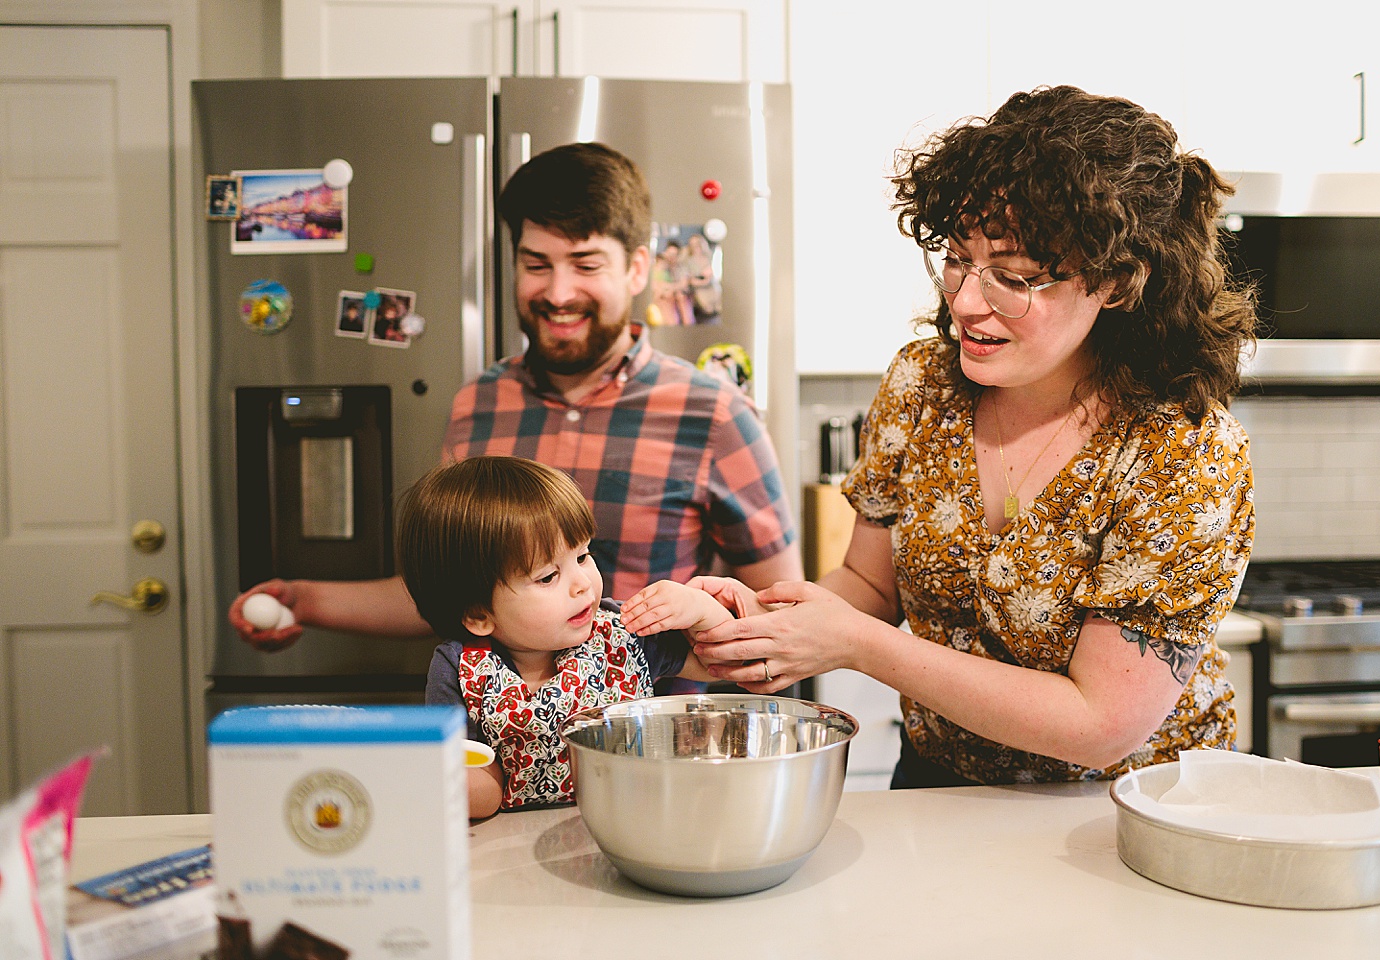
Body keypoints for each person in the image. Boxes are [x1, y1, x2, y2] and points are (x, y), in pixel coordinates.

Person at [690, 86, 1258, 787]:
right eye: (957, 258)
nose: (963, 301)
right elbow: (870, 583)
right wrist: (761, 624)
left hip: (1123, 816)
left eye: (1013, 276)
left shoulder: (1184, 452)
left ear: (1115, 282)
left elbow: (1100, 726)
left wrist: (858, 646)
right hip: (939, 785)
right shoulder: (922, 384)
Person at [229, 142, 800, 665]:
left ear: (636, 270)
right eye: (536, 265)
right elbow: (450, 590)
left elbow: (781, 619)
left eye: (585, 264)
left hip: (656, 753)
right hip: (503, 755)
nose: (557, 292)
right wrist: (303, 599)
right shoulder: (479, 404)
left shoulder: (716, 414)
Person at [402, 456, 731, 817]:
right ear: (479, 615)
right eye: (548, 577)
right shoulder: (460, 668)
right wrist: (443, 779)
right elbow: (482, 785)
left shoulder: (621, 632)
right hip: (515, 853)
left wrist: (700, 609)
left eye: (583, 556)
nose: (581, 584)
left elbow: (720, 662)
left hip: (638, 823)